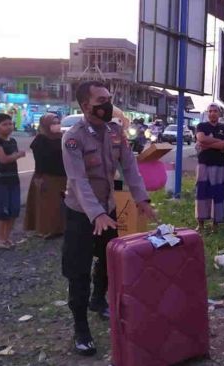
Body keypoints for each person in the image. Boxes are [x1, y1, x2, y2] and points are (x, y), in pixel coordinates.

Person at [61, 81, 157, 356]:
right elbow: (78, 181)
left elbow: (130, 167)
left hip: (107, 209)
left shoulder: (115, 132)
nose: (108, 104)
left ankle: (97, 300)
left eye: (109, 98)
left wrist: (142, 199)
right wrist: (97, 215)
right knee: (78, 270)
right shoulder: (74, 137)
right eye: (101, 99)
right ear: (85, 105)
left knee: (108, 259)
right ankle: (81, 327)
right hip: (81, 213)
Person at [0, 113, 26, 249]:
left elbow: (11, 157)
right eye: (5, 124)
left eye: (10, 124)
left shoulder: (12, 141)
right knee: (3, 210)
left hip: (13, 178)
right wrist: (18, 155)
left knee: (14, 209)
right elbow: (3, 159)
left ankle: (7, 238)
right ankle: (0, 239)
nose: (9, 127)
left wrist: (16, 155)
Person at [24, 113, 66, 239]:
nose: (56, 125)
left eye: (58, 122)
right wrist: (39, 177)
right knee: (47, 205)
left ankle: (59, 229)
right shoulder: (40, 140)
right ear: (46, 125)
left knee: (60, 205)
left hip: (63, 176)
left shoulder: (62, 138)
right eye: (53, 123)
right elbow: (40, 161)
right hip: (47, 176)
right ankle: (46, 229)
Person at [194, 103, 224, 231]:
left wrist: (207, 143)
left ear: (219, 113)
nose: (212, 113)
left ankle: (215, 224)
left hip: (220, 165)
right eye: (210, 111)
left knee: (218, 193)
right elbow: (200, 138)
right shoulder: (201, 126)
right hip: (204, 164)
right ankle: (200, 223)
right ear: (207, 113)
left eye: (215, 111)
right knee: (202, 192)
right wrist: (218, 143)